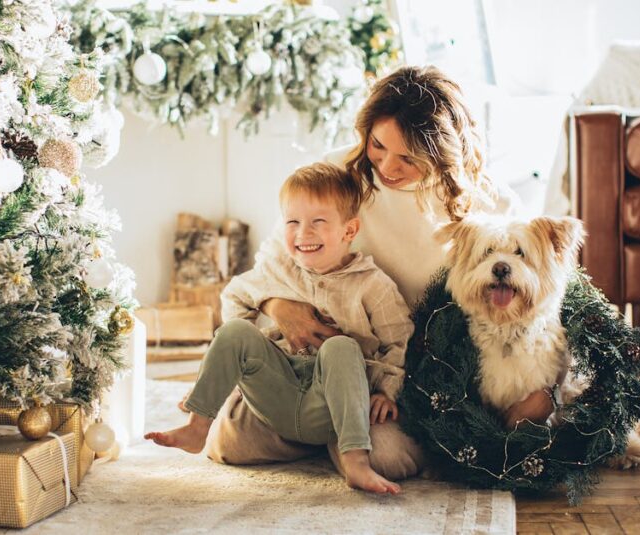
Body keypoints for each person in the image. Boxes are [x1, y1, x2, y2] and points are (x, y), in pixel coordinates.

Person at [202, 65, 553, 480]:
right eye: (378, 145)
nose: (387, 165)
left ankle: (336, 432)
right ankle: (322, 424)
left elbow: (537, 282)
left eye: (409, 157)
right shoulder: (338, 172)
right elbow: (274, 259)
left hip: (398, 370)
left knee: (389, 459)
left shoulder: (485, 202)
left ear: (443, 153)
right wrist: (279, 306)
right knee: (228, 445)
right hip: (313, 360)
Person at [146, 162, 413, 495]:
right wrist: (244, 354)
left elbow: (399, 339)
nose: (303, 234)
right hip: (280, 387)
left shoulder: (372, 284)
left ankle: (355, 461)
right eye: (293, 222)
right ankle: (197, 426)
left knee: (341, 347)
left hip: (333, 400)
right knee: (234, 334)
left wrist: (386, 390)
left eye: (318, 222)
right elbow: (233, 297)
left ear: (349, 231)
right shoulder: (277, 270)